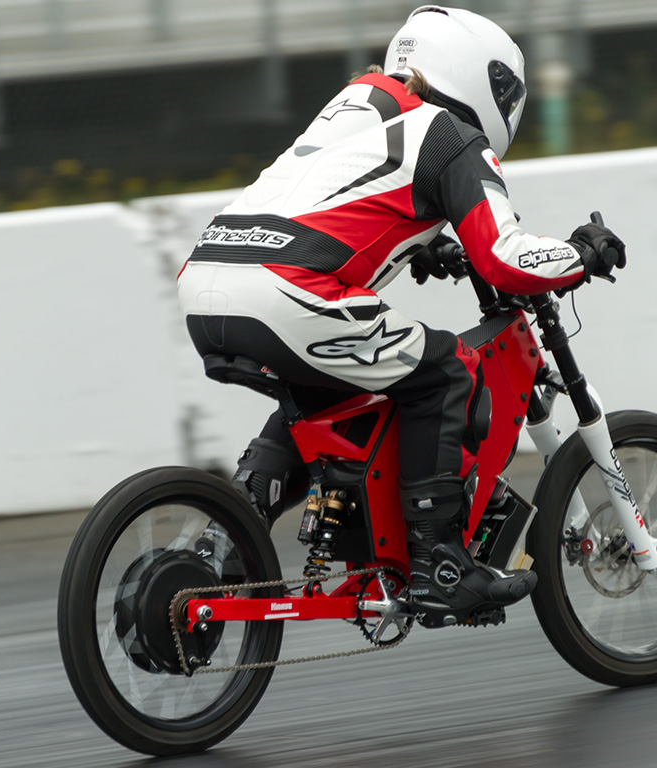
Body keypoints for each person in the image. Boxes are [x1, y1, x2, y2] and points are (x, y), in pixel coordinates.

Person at [177, 5, 626, 628]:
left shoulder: (359, 105)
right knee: (446, 373)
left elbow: (342, 202)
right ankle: (439, 564)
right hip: (286, 289)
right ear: (480, 79)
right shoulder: (448, 135)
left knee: (319, 402)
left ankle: (220, 542)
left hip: (209, 276)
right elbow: (505, 257)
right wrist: (578, 254)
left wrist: (430, 244)